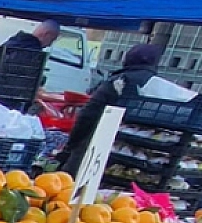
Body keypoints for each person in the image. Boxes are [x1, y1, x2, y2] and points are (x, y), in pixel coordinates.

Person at [56, 42, 161, 175]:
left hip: (96, 150)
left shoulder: (118, 82)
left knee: (71, 185)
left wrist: (70, 146)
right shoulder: (158, 87)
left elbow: (88, 115)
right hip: (136, 158)